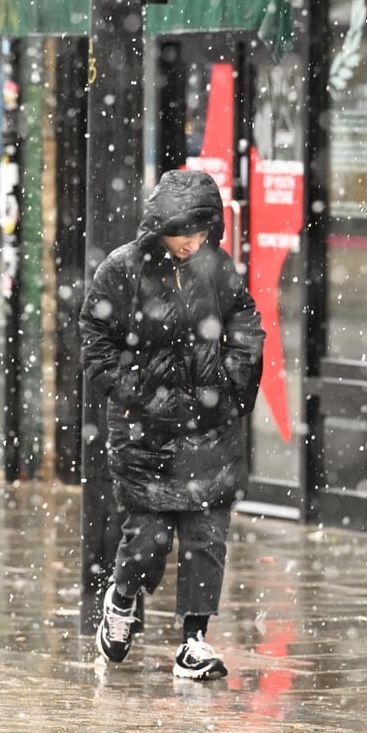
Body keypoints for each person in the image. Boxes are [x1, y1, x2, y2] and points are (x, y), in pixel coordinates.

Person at [79, 169, 264, 681]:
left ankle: (194, 641)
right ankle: (121, 600)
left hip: (210, 430)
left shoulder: (217, 268)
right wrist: (144, 395)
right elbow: (96, 342)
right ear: (159, 227)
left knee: (207, 538)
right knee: (148, 538)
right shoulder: (123, 270)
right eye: (181, 232)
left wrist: (232, 382)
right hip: (148, 435)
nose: (190, 243)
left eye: (199, 232)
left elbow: (245, 322)